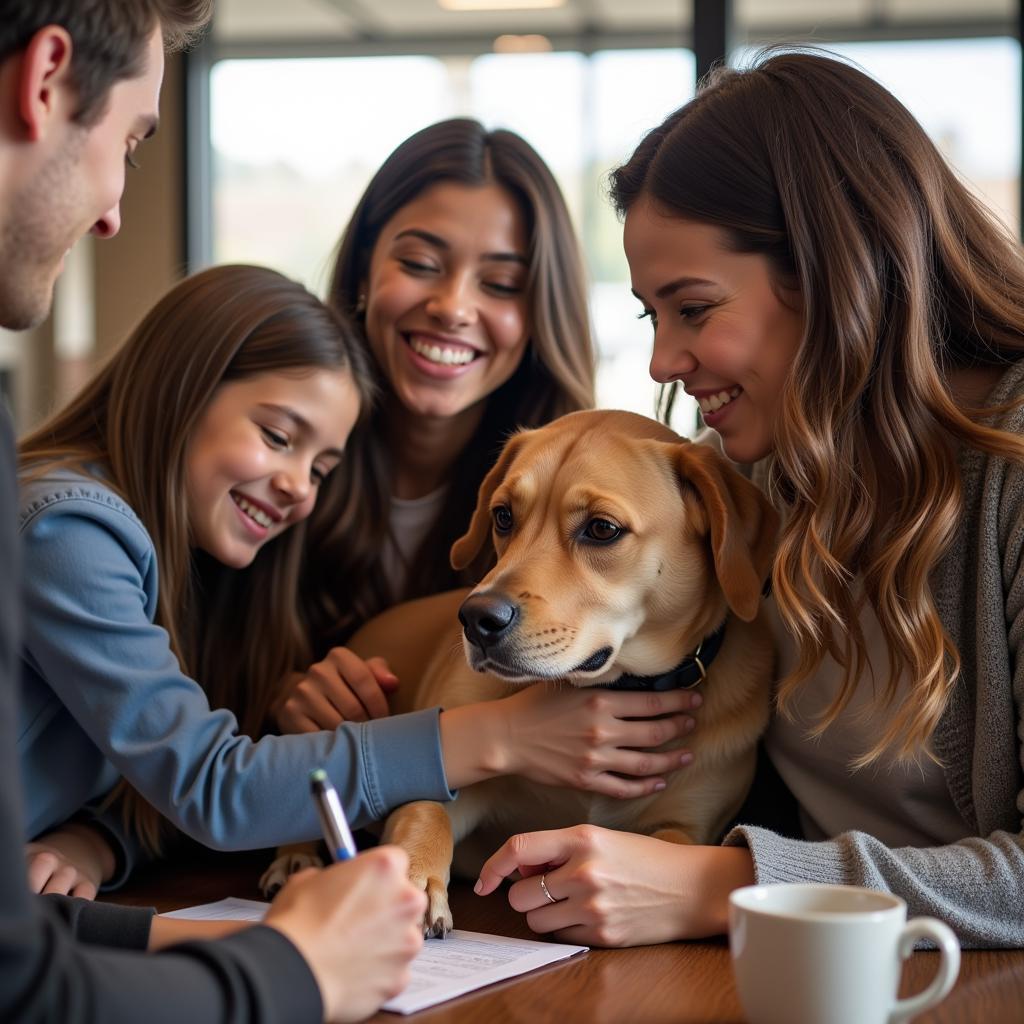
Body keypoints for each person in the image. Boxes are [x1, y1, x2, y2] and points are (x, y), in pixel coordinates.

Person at [474, 48, 1024, 951]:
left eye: (692, 308)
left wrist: (729, 883)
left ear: (833, 273)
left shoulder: (1008, 468)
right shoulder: (747, 477)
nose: (661, 364)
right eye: (653, 317)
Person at [0, 3, 426, 1022]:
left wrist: (103, 837)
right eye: (278, 438)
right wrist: (493, 739)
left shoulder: (188, 565)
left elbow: (150, 773)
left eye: (321, 464)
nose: (299, 488)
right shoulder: (70, 526)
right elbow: (212, 779)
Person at [273, 120, 702, 784]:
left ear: (538, 312)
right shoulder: (275, 460)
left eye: (501, 284)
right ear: (362, 269)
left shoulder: (578, 469)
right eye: (419, 265)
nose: (452, 307)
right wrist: (277, 700)